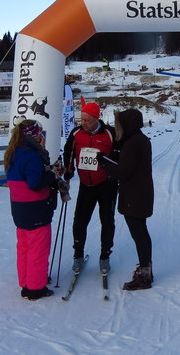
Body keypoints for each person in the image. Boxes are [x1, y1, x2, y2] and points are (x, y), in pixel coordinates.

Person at [98, 109, 154, 290]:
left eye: (120, 124)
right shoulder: (139, 139)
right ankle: (146, 269)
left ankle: (144, 275)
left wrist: (103, 162)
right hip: (141, 192)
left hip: (134, 195)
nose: (118, 128)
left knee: (139, 234)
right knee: (142, 232)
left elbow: (123, 172)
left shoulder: (133, 143)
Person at [4, 119, 59, 301]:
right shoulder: (32, 155)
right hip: (35, 208)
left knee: (24, 247)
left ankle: (27, 282)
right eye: (39, 132)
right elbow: (35, 183)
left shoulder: (14, 151)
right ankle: (36, 288)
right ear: (33, 134)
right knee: (38, 248)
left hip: (19, 208)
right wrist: (52, 175)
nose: (41, 135)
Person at [63, 102, 117, 274]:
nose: (83, 123)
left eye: (87, 120)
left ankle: (105, 256)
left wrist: (113, 172)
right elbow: (68, 152)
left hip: (106, 185)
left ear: (96, 118)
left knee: (107, 221)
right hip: (86, 185)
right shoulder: (76, 133)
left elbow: (118, 155)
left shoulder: (110, 133)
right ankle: (78, 256)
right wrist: (69, 169)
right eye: (82, 119)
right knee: (79, 222)